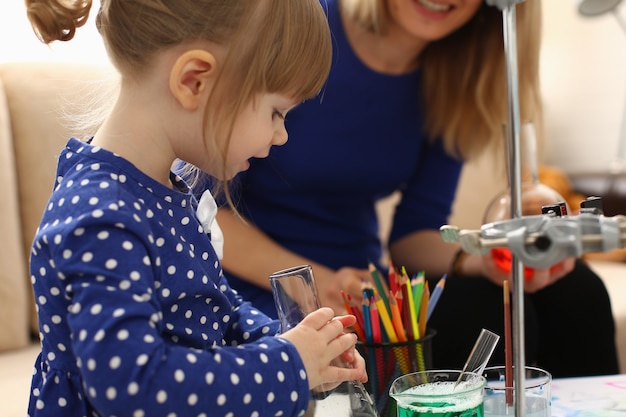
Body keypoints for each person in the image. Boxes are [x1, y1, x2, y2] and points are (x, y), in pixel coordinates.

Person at [212, 0, 620, 378]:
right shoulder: (298, 21)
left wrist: (486, 260)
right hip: (266, 292)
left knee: (574, 290)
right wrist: (321, 285)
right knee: (482, 315)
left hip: (367, 293)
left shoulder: (454, 76)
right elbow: (205, 215)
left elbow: (415, 235)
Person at [24, 0, 368, 416]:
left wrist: (292, 341)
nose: (281, 136)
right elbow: (133, 383)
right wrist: (288, 364)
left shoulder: (161, 189)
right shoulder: (100, 215)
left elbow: (214, 309)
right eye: (276, 112)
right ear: (193, 81)